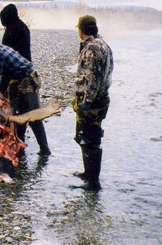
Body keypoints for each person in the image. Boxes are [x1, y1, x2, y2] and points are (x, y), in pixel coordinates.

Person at [0, 33, 51, 156]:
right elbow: (5, 74)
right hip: (22, 80)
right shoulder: (2, 48)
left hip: (28, 82)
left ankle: (45, 150)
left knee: (34, 116)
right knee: (20, 115)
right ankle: (20, 148)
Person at [72, 15, 114, 191]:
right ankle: (87, 173)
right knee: (83, 136)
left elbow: (92, 78)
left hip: (92, 102)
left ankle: (93, 182)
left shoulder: (91, 49)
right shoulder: (103, 44)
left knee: (90, 139)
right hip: (100, 98)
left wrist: (86, 102)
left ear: (81, 30)